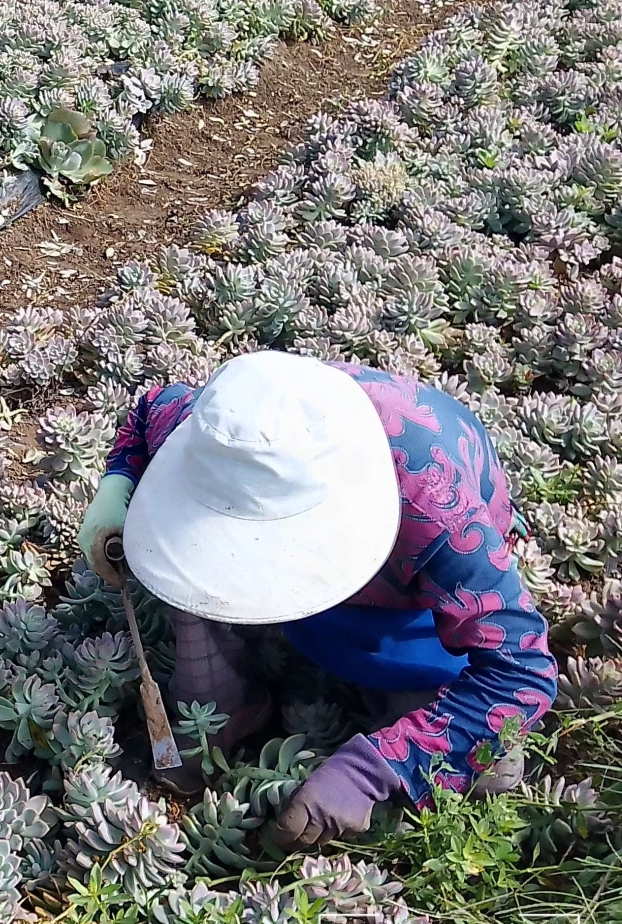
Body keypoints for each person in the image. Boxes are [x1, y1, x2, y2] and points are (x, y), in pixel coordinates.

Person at [80, 350, 557, 851]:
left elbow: (521, 671)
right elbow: (147, 411)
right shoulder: (224, 428)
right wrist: (116, 488)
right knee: (176, 553)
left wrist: (374, 770)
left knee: (492, 766)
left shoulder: (436, 507)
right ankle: (224, 698)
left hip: (403, 604)